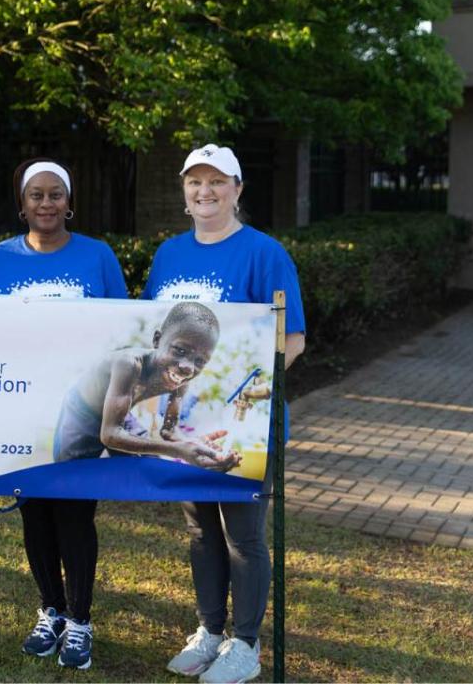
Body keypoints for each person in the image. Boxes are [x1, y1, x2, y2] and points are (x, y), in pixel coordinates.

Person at [143, 144, 306, 684]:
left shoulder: (264, 253)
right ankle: (209, 631)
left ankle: (246, 644)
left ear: (237, 190)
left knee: (243, 535)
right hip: (183, 421)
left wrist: (240, 399)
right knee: (199, 531)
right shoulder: (168, 254)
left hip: (242, 423)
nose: (205, 191)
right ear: (184, 192)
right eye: (195, 182)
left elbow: (292, 342)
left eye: (217, 182)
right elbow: (151, 333)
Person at [0, 158, 129, 670]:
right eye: (36, 195)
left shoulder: (98, 256)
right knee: (36, 513)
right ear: (21, 204)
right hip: (21, 410)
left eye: (55, 194)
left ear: (70, 201)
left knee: (75, 514)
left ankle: (81, 622)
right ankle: (52, 611)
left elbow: (125, 333)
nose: (46, 203)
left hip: (82, 415)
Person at [53, 301, 238, 470]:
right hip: (83, 412)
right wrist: (178, 450)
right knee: (70, 483)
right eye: (180, 350)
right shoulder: (129, 364)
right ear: (157, 340)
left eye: (200, 361)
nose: (188, 367)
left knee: (152, 464)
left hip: (120, 414)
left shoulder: (181, 379)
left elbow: (169, 431)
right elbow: (110, 434)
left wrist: (193, 445)